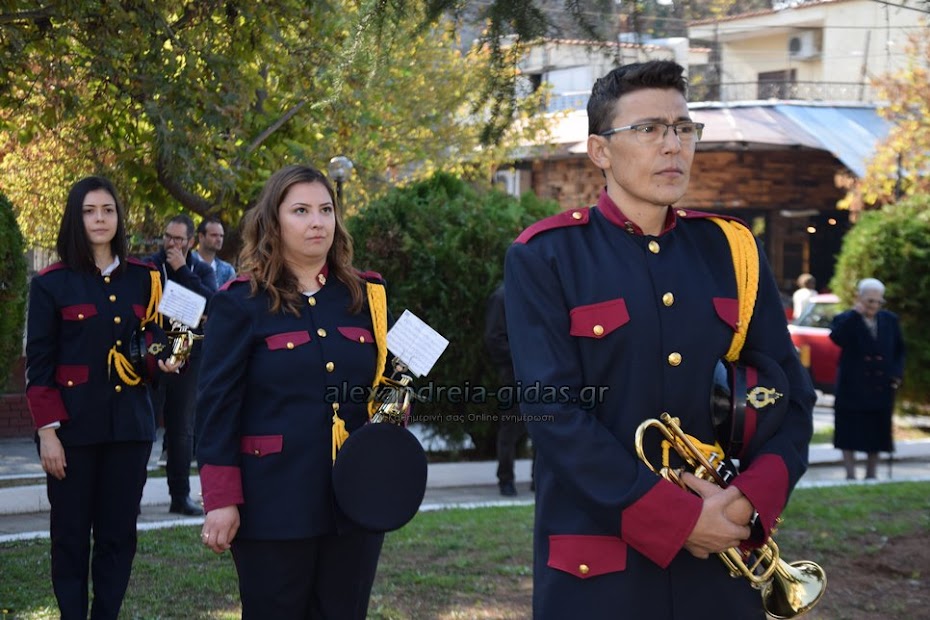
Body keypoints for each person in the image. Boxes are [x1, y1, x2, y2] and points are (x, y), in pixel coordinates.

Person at [504, 60, 817, 619]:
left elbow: (792, 396)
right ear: (600, 151)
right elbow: (553, 413)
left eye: (683, 128)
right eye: (648, 129)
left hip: (721, 567)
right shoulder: (546, 255)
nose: (673, 145)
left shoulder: (732, 250)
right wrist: (678, 521)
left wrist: (749, 502)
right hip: (601, 573)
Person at [196, 163, 388, 619]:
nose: (316, 221)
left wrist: (395, 413)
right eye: (300, 210)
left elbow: (383, 388)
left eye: (325, 210)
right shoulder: (240, 302)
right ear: (274, 221)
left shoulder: (366, 296)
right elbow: (216, 409)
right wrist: (221, 499)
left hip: (354, 504)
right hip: (272, 503)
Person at [25, 176, 182, 619]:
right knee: (70, 538)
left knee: (118, 537)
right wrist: (48, 433)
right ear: (75, 219)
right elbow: (40, 365)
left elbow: (157, 340)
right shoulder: (51, 283)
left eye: (108, 210)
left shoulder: (145, 279)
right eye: (89, 211)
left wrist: (164, 358)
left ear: (119, 218)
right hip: (72, 433)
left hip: (130, 429)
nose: (99, 219)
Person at [146, 214, 217, 515]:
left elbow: (212, 303)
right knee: (145, 423)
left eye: (178, 239)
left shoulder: (200, 269)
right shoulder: (150, 266)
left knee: (181, 428)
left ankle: (180, 495)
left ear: (190, 241)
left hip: (186, 347)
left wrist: (182, 271)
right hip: (154, 348)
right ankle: (131, 496)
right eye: (168, 237)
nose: (171, 244)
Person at [829, 278, 905, 480]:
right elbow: (837, 338)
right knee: (848, 431)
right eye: (870, 301)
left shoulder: (890, 320)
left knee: (877, 431)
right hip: (852, 387)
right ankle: (850, 475)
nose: (874, 306)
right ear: (859, 298)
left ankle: (872, 475)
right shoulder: (846, 318)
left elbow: (899, 350)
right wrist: (855, 314)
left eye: (879, 302)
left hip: (880, 386)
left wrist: (896, 374)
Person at [484, 282, 533, 496]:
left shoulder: (534, 293)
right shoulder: (502, 297)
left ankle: (539, 479)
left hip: (539, 373)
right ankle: (506, 479)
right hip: (513, 374)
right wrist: (521, 359)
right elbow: (493, 338)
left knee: (544, 425)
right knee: (510, 428)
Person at [192, 216, 237, 287]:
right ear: (201, 236)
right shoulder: (187, 262)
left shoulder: (227, 270)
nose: (219, 239)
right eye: (214, 235)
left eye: (221, 236)